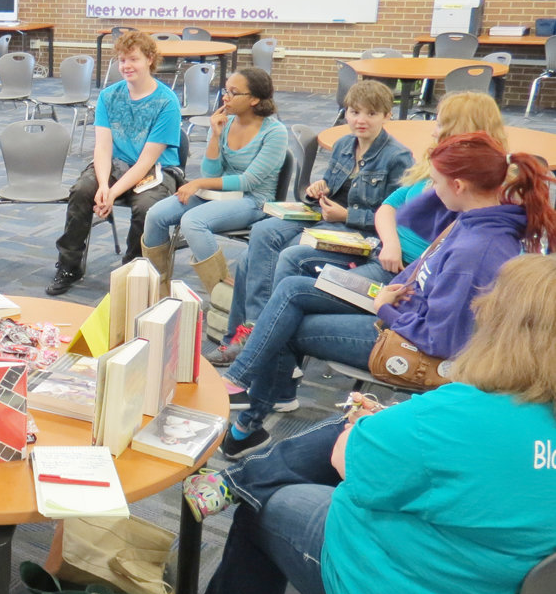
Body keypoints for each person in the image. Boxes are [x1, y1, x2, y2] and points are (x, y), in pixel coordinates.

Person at [181, 252, 556, 594]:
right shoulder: (487, 420)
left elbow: (345, 460)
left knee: (271, 504)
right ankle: (240, 481)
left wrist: (366, 427)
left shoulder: (458, 413)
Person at [219, 132, 556, 459]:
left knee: (289, 324)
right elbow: (419, 241)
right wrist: (386, 291)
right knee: (292, 289)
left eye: (435, 183)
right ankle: (245, 389)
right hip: (402, 306)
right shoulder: (474, 216)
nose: (431, 192)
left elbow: (440, 340)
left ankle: (246, 408)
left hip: (412, 339)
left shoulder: (477, 251)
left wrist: (386, 309)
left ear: (459, 186)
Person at [207, 80, 411, 364]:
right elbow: (331, 184)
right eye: (354, 112)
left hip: (357, 230)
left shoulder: (398, 157)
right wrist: (319, 189)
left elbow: (393, 216)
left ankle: (251, 333)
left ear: (387, 116)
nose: (360, 120)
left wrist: (346, 215)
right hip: (325, 216)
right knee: (262, 233)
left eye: (371, 114)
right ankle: (252, 327)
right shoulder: (343, 144)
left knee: (261, 258)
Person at [269, 91, 507, 293]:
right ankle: (256, 326)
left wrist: (351, 219)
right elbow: (389, 205)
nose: (434, 132)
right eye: (353, 112)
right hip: (382, 247)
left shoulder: (465, 187)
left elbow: (444, 252)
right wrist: (390, 243)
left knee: (295, 290)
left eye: (440, 124)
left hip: (400, 266)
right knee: (287, 254)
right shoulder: (431, 163)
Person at [46, 31, 182, 295]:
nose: (126, 66)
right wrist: (103, 187)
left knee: (146, 209)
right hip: (115, 163)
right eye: (122, 60)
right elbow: (103, 146)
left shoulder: (167, 102)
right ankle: (69, 265)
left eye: (133, 59)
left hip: (156, 169)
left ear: (150, 60)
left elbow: (145, 162)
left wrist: (112, 192)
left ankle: (131, 273)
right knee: (82, 191)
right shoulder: (109, 96)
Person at [140, 67, 286, 293]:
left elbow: (248, 181)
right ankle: (157, 289)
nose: (225, 97)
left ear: (254, 99)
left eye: (234, 92)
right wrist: (215, 137)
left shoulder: (275, 132)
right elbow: (211, 174)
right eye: (225, 90)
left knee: (193, 222)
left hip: (254, 200)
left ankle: (222, 293)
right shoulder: (223, 123)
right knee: (156, 215)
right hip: (219, 194)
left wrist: (198, 184)